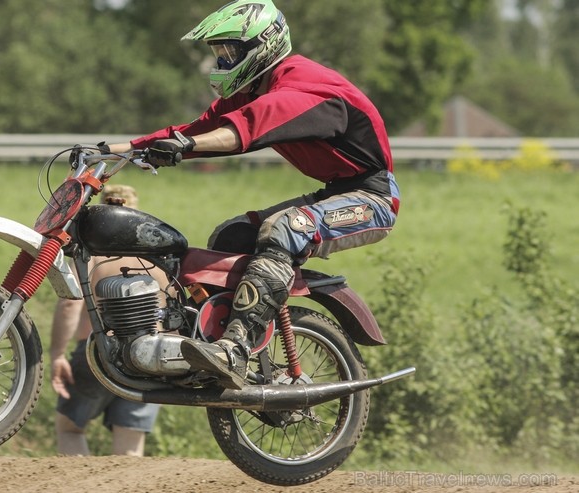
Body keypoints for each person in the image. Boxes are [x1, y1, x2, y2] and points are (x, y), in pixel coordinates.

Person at [100, 0, 400, 390]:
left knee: (286, 228)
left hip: (372, 198)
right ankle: (198, 344)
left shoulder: (305, 87)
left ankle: (236, 348)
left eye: (229, 53)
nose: (221, 64)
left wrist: (185, 147)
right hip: (334, 193)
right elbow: (196, 128)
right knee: (231, 236)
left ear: (264, 45)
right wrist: (114, 150)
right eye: (218, 54)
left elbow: (244, 131)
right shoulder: (254, 86)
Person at [50, 185, 163, 456]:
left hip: (97, 356)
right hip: (149, 358)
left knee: (69, 428)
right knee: (130, 446)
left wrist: (57, 354)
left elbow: (70, 303)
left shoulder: (92, 256)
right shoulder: (157, 259)